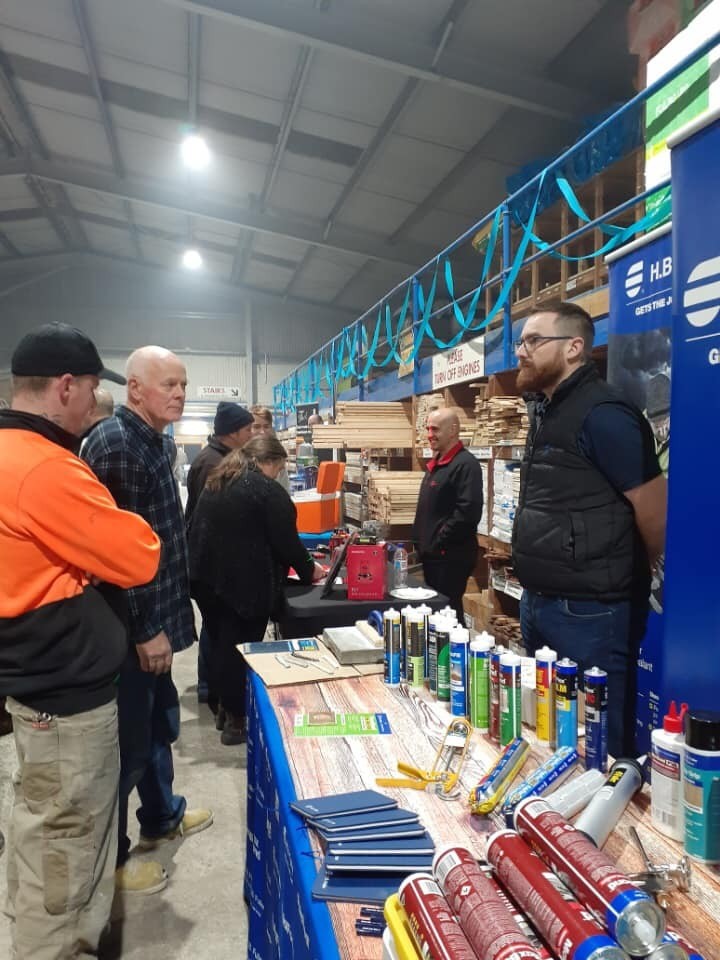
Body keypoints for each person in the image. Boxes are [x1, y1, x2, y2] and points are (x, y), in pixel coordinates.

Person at [0, 323, 161, 959]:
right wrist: (103, 545)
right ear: (64, 386)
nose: (97, 403)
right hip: (64, 696)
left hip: (36, 684)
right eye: (93, 388)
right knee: (64, 855)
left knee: (43, 835)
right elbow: (139, 554)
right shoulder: (44, 468)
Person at [82, 345, 213, 895]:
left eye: (183, 385)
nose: (179, 394)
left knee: (160, 726)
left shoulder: (154, 441)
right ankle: (112, 861)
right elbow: (114, 556)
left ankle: (161, 817)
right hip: (131, 628)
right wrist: (144, 629)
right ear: (135, 388)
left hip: (157, 615)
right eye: (168, 385)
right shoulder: (116, 445)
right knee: (127, 748)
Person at [512, 301, 667, 759]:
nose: (521, 350)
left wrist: (632, 566)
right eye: (521, 341)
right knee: (548, 736)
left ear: (574, 348)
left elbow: (654, 511)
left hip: (590, 613)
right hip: (540, 602)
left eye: (534, 340)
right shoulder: (548, 410)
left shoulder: (604, 413)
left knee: (596, 745)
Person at [188, 435, 324, 744]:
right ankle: (237, 721)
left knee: (222, 644)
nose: (279, 474)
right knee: (241, 651)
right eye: (279, 467)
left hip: (207, 581)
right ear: (269, 461)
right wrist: (310, 569)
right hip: (242, 587)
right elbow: (287, 543)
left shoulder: (220, 479)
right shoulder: (265, 490)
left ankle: (225, 710)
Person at [185, 401, 254, 706]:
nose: (252, 434)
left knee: (215, 628)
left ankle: (210, 687)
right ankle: (211, 690)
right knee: (217, 629)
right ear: (234, 432)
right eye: (248, 429)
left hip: (210, 561)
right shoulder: (213, 463)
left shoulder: (217, 457)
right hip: (211, 563)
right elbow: (210, 520)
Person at [413, 407, 484, 621]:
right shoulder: (438, 463)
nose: (429, 435)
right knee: (437, 613)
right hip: (434, 556)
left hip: (449, 558)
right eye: (428, 429)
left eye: (435, 429)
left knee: (448, 613)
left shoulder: (465, 464)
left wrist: (439, 542)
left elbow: (468, 513)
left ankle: (456, 643)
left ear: (453, 430)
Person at [250, 403, 291, 492]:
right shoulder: (241, 457)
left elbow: (285, 490)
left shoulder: (277, 455)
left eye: (266, 426)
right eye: (256, 427)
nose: (262, 432)